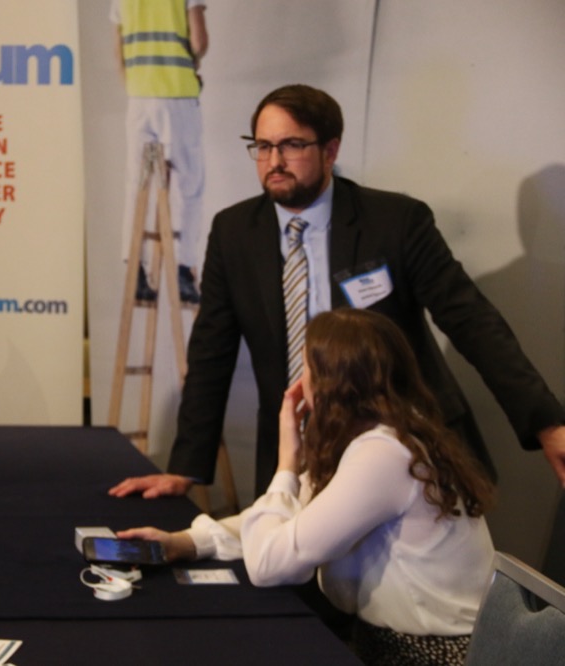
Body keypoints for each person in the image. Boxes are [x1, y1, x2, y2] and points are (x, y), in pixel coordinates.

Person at [109, 83, 565, 500]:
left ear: (330, 150)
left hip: (406, 447)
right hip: (297, 454)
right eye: (263, 147)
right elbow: (211, 350)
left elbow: (472, 322)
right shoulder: (234, 232)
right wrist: (185, 468)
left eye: (292, 145)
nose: (274, 162)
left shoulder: (395, 222)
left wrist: (547, 423)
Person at [120, 308, 497, 665]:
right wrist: (187, 542)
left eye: (307, 370)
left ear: (332, 384)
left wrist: (287, 461)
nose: (299, 384)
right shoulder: (388, 435)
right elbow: (293, 520)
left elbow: (268, 565)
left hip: (422, 656)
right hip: (405, 645)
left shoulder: (384, 455)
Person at [110, 0, 208, 303]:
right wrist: (194, 63)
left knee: (136, 186)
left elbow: (118, 50)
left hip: (139, 98)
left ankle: (135, 270)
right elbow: (199, 41)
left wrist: (134, 87)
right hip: (177, 94)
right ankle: (182, 270)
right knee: (188, 183)